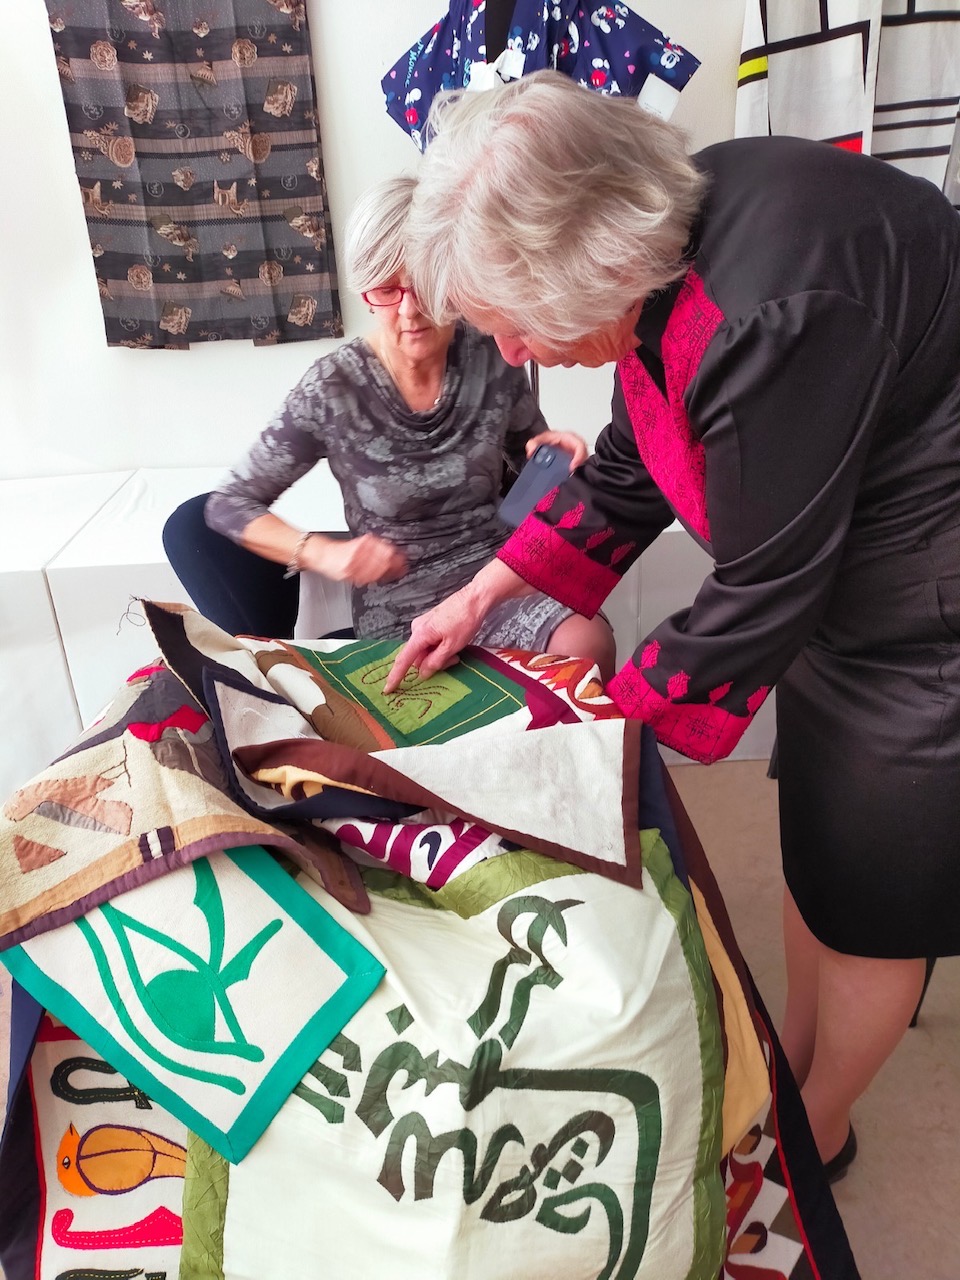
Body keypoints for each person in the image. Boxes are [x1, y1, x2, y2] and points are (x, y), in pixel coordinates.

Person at [384, 70, 960, 1178]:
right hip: (841, 562)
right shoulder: (674, 235)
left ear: (585, 265)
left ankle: (817, 1127)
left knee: (876, 888)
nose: (513, 357)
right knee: (823, 848)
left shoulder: (769, 307)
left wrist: (588, 730)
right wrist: (480, 593)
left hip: (927, 600)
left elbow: (761, 586)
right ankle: (790, 1065)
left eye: (513, 328)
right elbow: (630, 464)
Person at [163, 176, 615, 675]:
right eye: (387, 290)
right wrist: (322, 555)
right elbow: (228, 506)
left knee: (586, 648)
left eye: (425, 285)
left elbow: (522, 480)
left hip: (494, 580)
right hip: (403, 606)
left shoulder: (491, 355)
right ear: (364, 293)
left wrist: (552, 462)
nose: (410, 310)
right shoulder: (333, 388)